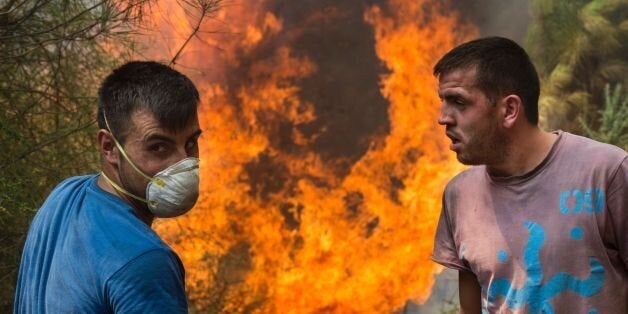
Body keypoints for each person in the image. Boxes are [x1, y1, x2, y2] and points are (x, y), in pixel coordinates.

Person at [431, 37, 627, 313]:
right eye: (443, 102)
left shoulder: (607, 172)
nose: (443, 118)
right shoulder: (458, 196)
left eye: (459, 102)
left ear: (509, 109)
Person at [14, 61, 203, 313]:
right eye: (158, 146)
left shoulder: (65, 195)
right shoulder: (145, 262)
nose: (182, 163)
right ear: (109, 147)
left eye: (190, 143)